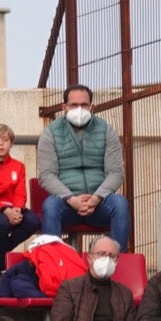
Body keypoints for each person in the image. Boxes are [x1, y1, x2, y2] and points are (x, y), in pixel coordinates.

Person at [36, 84, 131, 249]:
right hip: (66, 204)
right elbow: (46, 175)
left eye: (84, 105)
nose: (79, 109)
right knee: (50, 206)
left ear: (92, 107)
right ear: (64, 107)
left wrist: (96, 198)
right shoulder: (50, 133)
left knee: (120, 204)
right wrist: (71, 199)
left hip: (100, 203)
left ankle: (118, 261)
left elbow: (115, 173)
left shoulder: (107, 131)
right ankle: (53, 265)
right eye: (73, 105)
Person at [49, 236, 136, 321]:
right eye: (101, 254)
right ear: (89, 258)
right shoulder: (70, 288)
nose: (106, 259)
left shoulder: (125, 294)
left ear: (117, 260)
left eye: (111, 255)